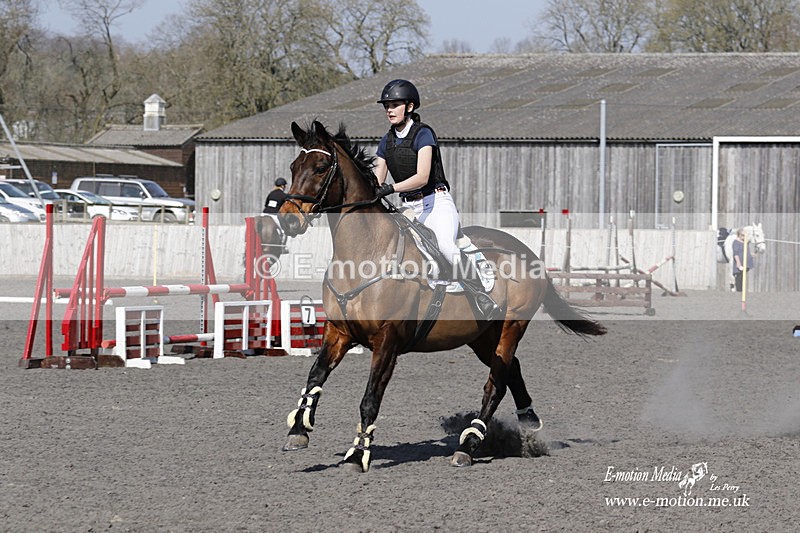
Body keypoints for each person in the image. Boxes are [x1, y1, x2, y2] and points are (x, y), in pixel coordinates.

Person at [372, 79, 502, 321]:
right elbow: (378, 179)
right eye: (386, 105)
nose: (389, 109)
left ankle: (481, 294)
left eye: (395, 104)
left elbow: (422, 177)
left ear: (409, 107)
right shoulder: (386, 140)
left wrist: (390, 188)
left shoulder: (423, 134)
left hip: (435, 203)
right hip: (409, 206)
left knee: (445, 245)